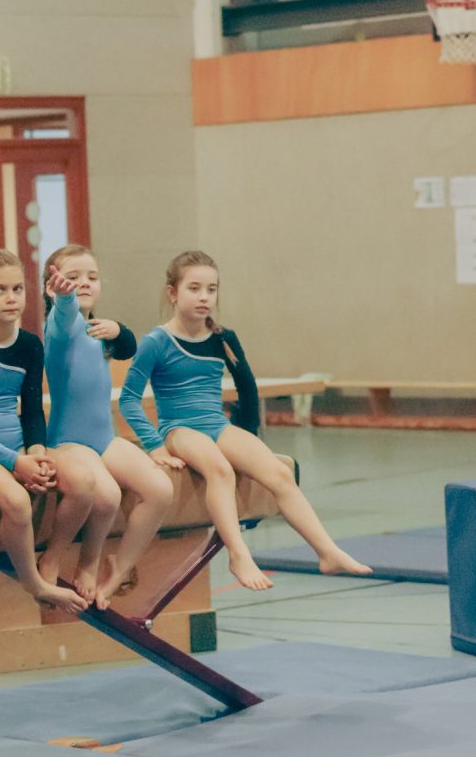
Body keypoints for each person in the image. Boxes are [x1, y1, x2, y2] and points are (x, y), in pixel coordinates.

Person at [118, 250, 371, 591]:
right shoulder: (156, 342)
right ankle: (238, 555)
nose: (204, 297)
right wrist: (155, 445)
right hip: (179, 429)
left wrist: (247, 439)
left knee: (280, 473)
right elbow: (128, 399)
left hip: (217, 425)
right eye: (194, 288)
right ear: (172, 293)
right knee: (220, 471)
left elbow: (247, 387)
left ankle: (327, 551)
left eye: (211, 289)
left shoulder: (223, 338)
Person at [0, 248, 92, 615]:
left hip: (19, 450)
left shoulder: (28, 344)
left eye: (17, 289)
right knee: (17, 501)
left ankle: (52, 558)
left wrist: (36, 453)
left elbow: (32, 411)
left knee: (84, 484)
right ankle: (32, 582)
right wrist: (15, 462)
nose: (11, 298)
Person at [43, 244, 174, 608]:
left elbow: (128, 347)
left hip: (104, 439)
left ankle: (120, 567)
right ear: (53, 288)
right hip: (69, 441)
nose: (84, 282)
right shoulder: (59, 328)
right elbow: (64, 316)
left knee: (160, 490)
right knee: (108, 496)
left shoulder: (97, 331)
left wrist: (118, 329)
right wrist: (63, 299)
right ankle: (83, 561)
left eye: (92, 277)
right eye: (73, 277)